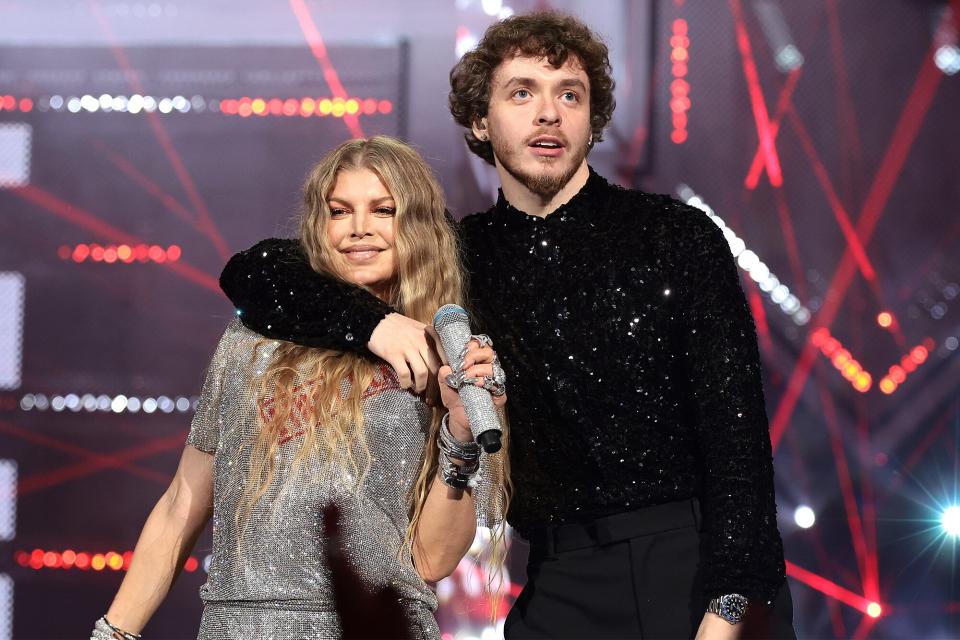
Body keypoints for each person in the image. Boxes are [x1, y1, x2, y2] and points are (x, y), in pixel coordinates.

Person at [220, 12, 795, 640]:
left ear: (590, 120)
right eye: (522, 92)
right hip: (555, 578)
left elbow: (739, 443)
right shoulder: (457, 261)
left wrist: (728, 609)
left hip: (694, 570)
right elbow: (256, 273)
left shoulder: (674, 236)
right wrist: (375, 324)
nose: (548, 113)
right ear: (479, 120)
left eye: (568, 94)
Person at [90, 136, 509, 640]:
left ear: (417, 226)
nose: (359, 229)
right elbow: (183, 500)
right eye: (340, 211)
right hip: (238, 624)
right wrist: (113, 633)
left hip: (371, 627)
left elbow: (433, 560)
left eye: (383, 210)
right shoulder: (254, 337)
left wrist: (460, 435)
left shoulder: (449, 356)